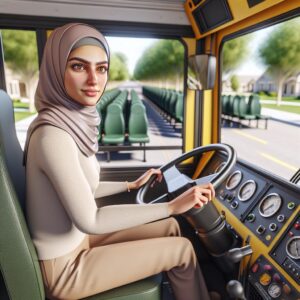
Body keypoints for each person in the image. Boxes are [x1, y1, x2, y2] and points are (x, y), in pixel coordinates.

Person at [24, 23, 217, 300]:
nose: (94, 80)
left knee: (172, 227)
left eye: (101, 68)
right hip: (65, 268)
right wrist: (173, 205)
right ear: (56, 69)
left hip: (79, 241)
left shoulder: (68, 122)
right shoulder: (52, 135)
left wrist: (130, 185)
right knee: (183, 250)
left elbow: (82, 190)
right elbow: (91, 219)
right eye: (79, 67)